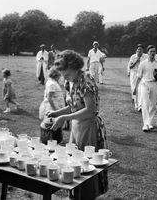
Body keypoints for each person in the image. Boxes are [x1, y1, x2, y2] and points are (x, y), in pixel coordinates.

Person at [46, 50, 108, 200]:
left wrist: (65, 117)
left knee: (86, 165)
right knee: (73, 163)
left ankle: (86, 196)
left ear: (74, 67)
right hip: (77, 127)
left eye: (66, 74)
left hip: (88, 127)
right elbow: (74, 106)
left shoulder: (85, 81)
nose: (64, 77)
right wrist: (57, 114)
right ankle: (75, 196)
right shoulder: (71, 82)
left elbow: (90, 111)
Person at [133, 45, 157, 132]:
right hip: (144, 84)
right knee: (145, 104)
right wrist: (135, 88)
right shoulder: (143, 64)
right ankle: (145, 124)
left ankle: (150, 122)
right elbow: (139, 77)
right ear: (147, 53)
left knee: (153, 105)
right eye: (151, 51)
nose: (153, 53)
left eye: (154, 51)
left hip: (154, 84)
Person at [39, 67, 65, 143]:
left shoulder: (51, 82)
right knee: (52, 125)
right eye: (59, 75)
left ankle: (53, 139)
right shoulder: (52, 84)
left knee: (55, 125)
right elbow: (50, 98)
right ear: (56, 75)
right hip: (52, 108)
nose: (60, 77)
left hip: (55, 107)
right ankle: (51, 140)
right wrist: (56, 110)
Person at [127, 44, 147, 111]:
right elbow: (130, 67)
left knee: (141, 89)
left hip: (142, 74)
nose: (140, 51)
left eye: (141, 49)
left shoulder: (146, 56)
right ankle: (136, 103)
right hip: (134, 73)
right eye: (138, 49)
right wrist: (137, 61)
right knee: (134, 89)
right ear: (136, 50)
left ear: (143, 50)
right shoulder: (133, 56)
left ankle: (140, 105)